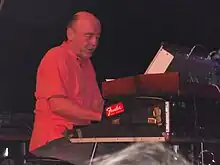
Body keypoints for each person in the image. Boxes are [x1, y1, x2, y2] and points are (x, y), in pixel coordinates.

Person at [29, 11, 104, 153]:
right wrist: (100, 117)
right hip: (52, 146)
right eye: (89, 36)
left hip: (76, 143)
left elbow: (97, 104)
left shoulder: (87, 65)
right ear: (70, 34)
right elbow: (58, 105)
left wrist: (121, 113)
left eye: (97, 37)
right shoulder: (55, 57)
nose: (94, 43)